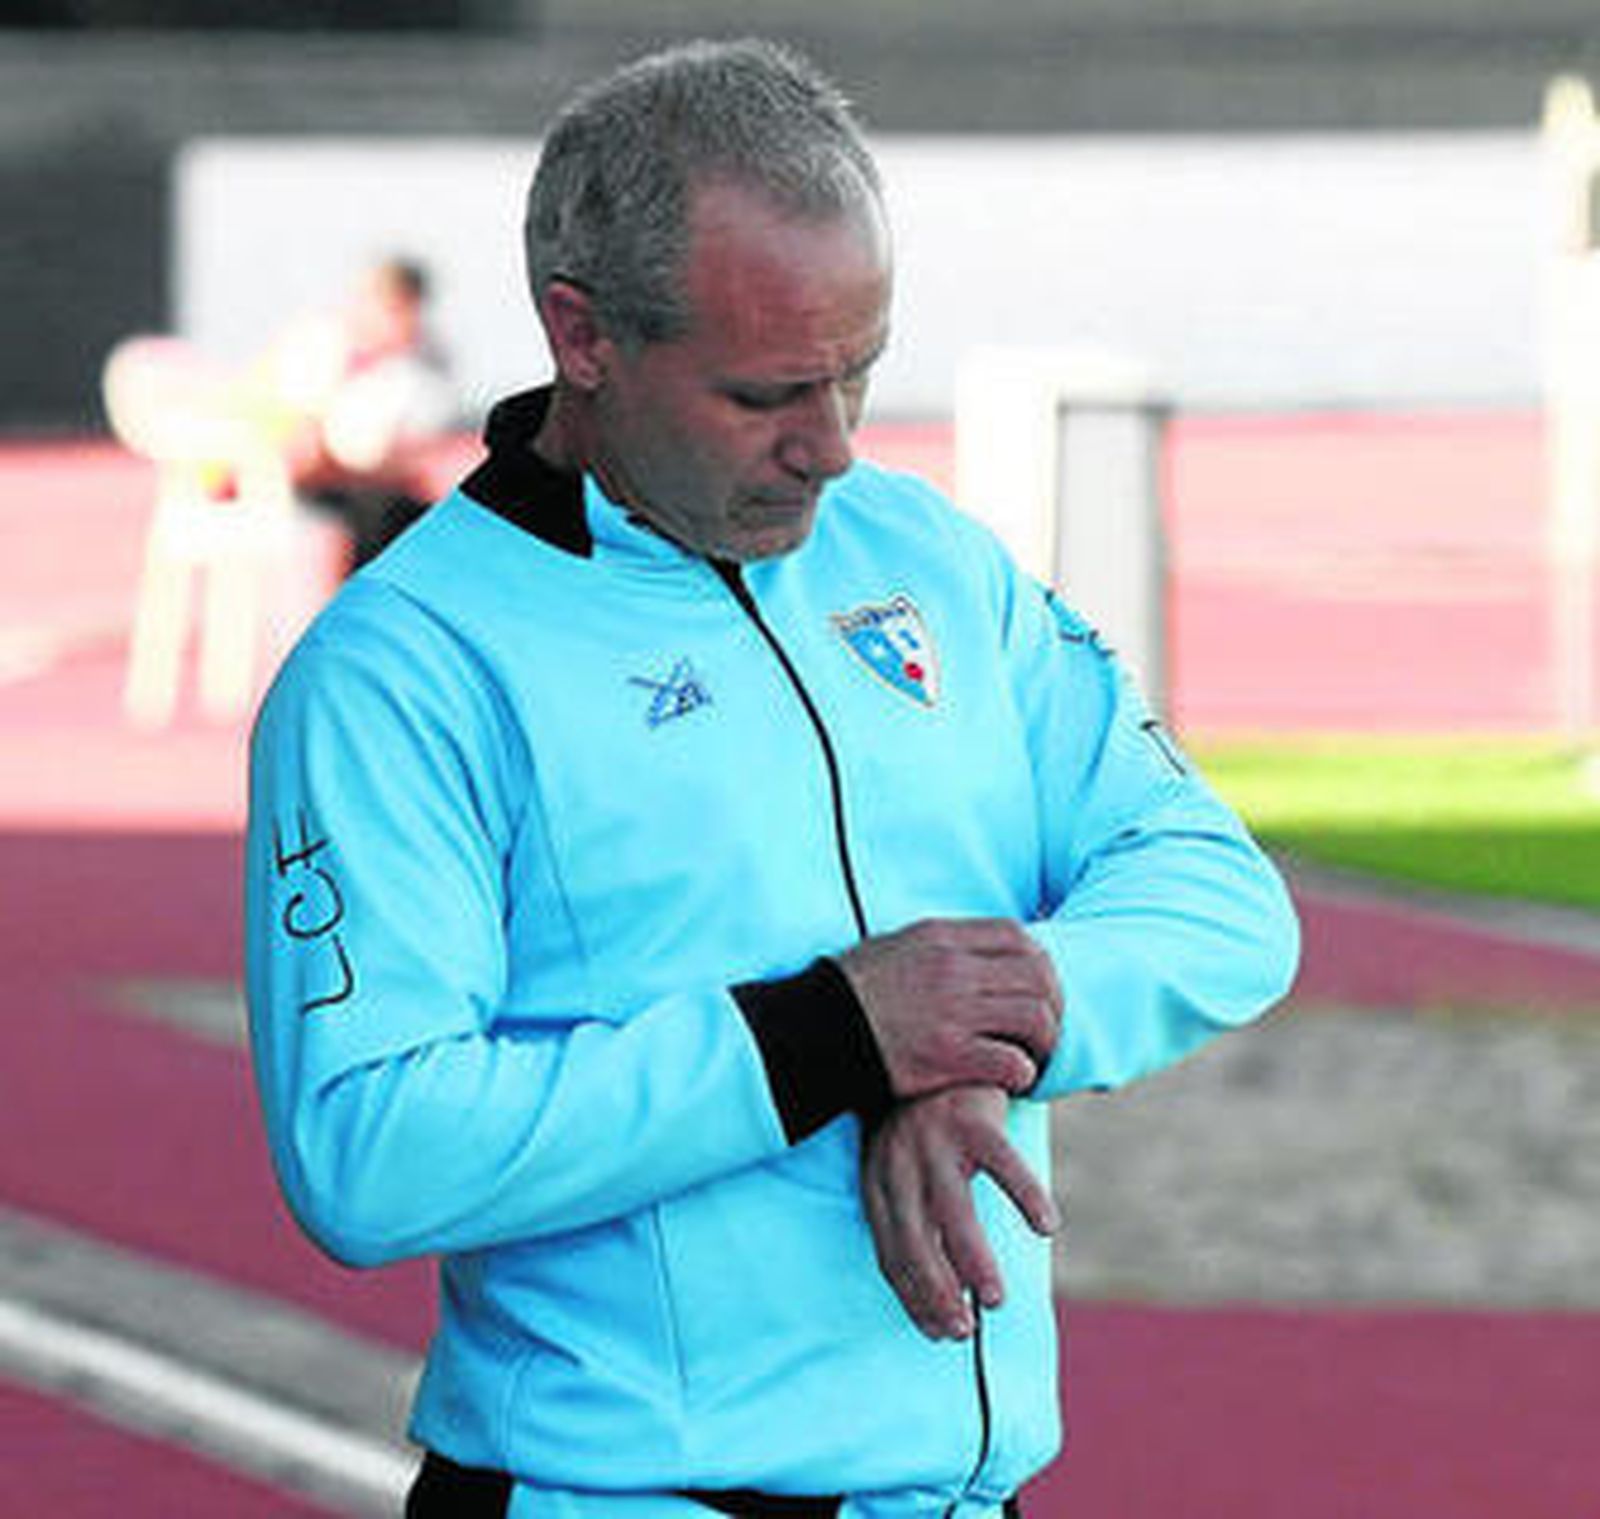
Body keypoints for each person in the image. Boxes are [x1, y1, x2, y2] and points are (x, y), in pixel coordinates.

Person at [244, 38, 1298, 1518]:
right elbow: (370, 1150)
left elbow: (1222, 895)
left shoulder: (927, 555)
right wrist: (834, 1037)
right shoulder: (402, 667)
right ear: (583, 335)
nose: (833, 446)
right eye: (766, 394)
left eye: (858, 371)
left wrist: (977, 1032)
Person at [261, 256, 456, 569]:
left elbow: (421, 441)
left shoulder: (421, 366)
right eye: (388, 308)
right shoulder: (320, 347)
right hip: (314, 493)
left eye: (403, 311)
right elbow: (292, 440)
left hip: (382, 492)